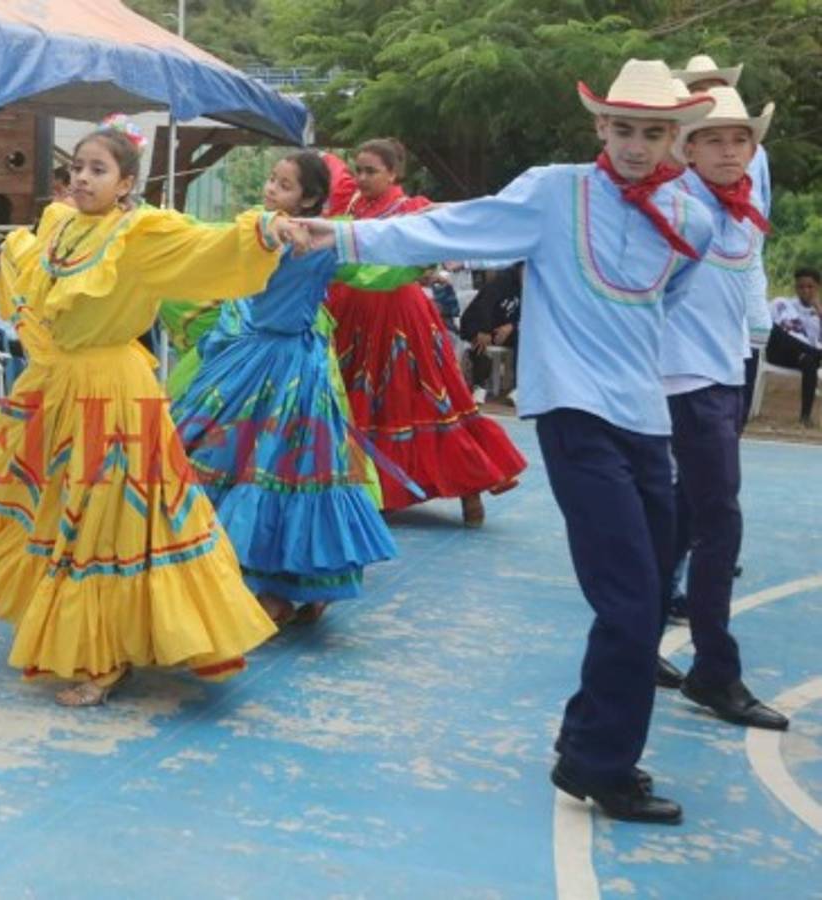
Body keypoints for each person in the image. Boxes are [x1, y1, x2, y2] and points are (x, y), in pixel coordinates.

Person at [294, 60, 716, 825]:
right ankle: (603, 766)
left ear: (673, 137)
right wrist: (345, 231)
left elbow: (667, 301)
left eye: (652, 131)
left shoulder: (692, 219)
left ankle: (589, 747)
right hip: (572, 414)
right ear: (599, 127)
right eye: (622, 127)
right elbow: (453, 223)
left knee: (649, 599)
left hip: (644, 420)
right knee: (627, 599)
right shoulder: (553, 193)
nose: (634, 144)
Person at [0, 115, 300, 707]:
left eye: (98, 170)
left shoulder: (140, 233)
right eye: (77, 168)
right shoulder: (59, 225)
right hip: (59, 387)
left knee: (105, 518)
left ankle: (102, 659)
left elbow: (207, 245)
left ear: (126, 183)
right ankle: (97, 644)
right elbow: (23, 279)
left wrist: (264, 231)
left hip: (114, 394)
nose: (82, 179)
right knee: (61, 509)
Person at [170, 151, 396, 626]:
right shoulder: (253, 230)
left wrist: (425, 239)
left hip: (294, 369)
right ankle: (241, 581)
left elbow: (376, 268)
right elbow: (199, 236)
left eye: (285, 185)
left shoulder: (322, 243)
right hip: (244, 359)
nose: (271, 189)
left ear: (311, 199)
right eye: (272, 180)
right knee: (219, 457)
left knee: (287, 470)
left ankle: (291, 585)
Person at [658, 87, 787, 731]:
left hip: (726, 367)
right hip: (683, 379)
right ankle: (714, 670)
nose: (730, 150)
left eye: (740, 139)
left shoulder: (741, 205)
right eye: (713, 138)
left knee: (686, 513)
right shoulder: (673, 206)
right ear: (686, 146)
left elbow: (747, 280)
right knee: (719, 519)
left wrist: (755, 346)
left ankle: (639, 636)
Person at [325, 139, 526, 525]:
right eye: (359, 170)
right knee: (356, 398)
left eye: (372, 171)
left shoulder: (413, 210)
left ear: (393, 173)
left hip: (400, 317)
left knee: (427, 396)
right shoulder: (349, 206)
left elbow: (441, 242)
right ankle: (371, 489)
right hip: (351, 313)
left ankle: (471, 490)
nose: (362, 178)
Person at [672, 55, 774, 422]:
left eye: (714, 86)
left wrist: (756, 316)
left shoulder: (751, 155)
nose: (706, 94)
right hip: (682, 346)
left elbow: (758, 220)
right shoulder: (670, 164)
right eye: (696, 88)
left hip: (738, 322)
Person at [459, 262, 523, 404]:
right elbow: (484, 305)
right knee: (479, 340)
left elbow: (534, 315)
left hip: (505, 330)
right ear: (520, 268)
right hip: (481, 324)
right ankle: (479, 385)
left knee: (525, 334)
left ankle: (520, 387)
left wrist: (512, 326)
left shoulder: (534, 288)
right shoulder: (502, 280)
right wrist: (484, 330)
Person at [766, 268, 822, 425]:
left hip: (801, 357)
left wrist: (819, 312)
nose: (805, 291)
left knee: (810, 360)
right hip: (778, 352)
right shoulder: (781, 303)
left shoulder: (818, 313)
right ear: (795, 288)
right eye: (801, 287)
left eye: (810, 287)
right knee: (774, 329)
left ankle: (805, 417)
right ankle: (816, 354)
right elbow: (763, 324)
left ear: (817, 287)